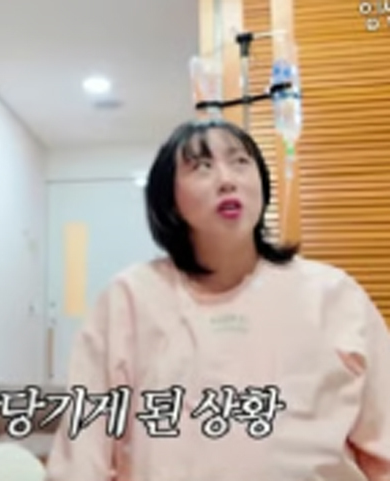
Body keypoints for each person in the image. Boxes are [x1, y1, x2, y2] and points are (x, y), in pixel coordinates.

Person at [45, 118, 390, 481]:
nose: (227, 180)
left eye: (240, 162)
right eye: (202, 167)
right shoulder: (129, 298)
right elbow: (81, 459)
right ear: (169, 198)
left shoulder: (334, 295)